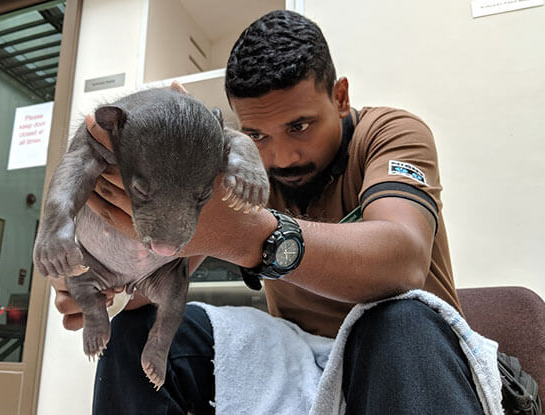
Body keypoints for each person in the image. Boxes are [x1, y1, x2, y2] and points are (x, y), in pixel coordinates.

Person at [51, 10, 485, 415]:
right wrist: (110, 284)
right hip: (296, 351)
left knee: (399, 318)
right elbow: (163, 277)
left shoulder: (391, 132)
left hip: (414, 355)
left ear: (340, 96)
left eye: (299, 126)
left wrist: (249, 236)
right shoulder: (242, 168)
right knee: (138, 332)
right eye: (257, 133)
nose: (281, 156)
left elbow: (403, 259)